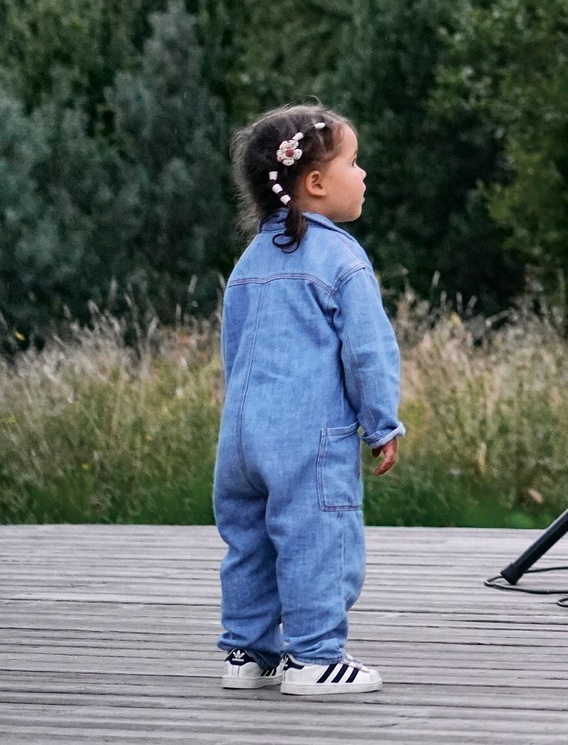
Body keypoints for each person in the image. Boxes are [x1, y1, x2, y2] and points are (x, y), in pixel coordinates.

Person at [216, 107, 404, 696]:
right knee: (317, 540)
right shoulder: (341, 257)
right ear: (315, 182)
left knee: (249, 544)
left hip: (242, 439)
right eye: (353, 161)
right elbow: (367, 354)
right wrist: (381, 424)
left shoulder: (249, 262)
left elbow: (234, 348)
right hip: (309, 437)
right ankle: (317, 657)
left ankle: (250, 654)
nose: (364, 172)